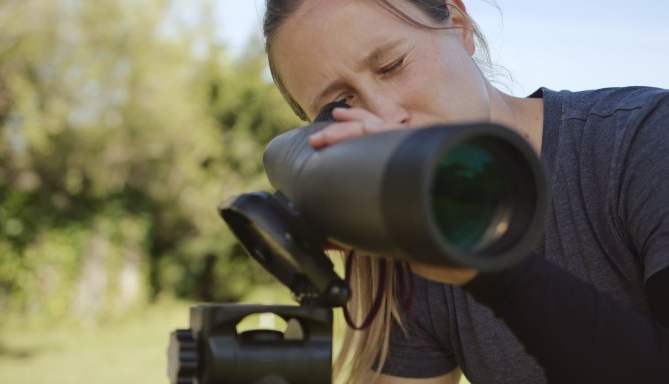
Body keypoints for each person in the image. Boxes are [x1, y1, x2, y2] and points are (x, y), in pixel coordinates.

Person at [261, 0, 669, 383]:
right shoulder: (408, 234)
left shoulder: (642, 140)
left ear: (459, 24)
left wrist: (492, 271)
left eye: (391, 65)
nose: (386, 116)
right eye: (340, 104)